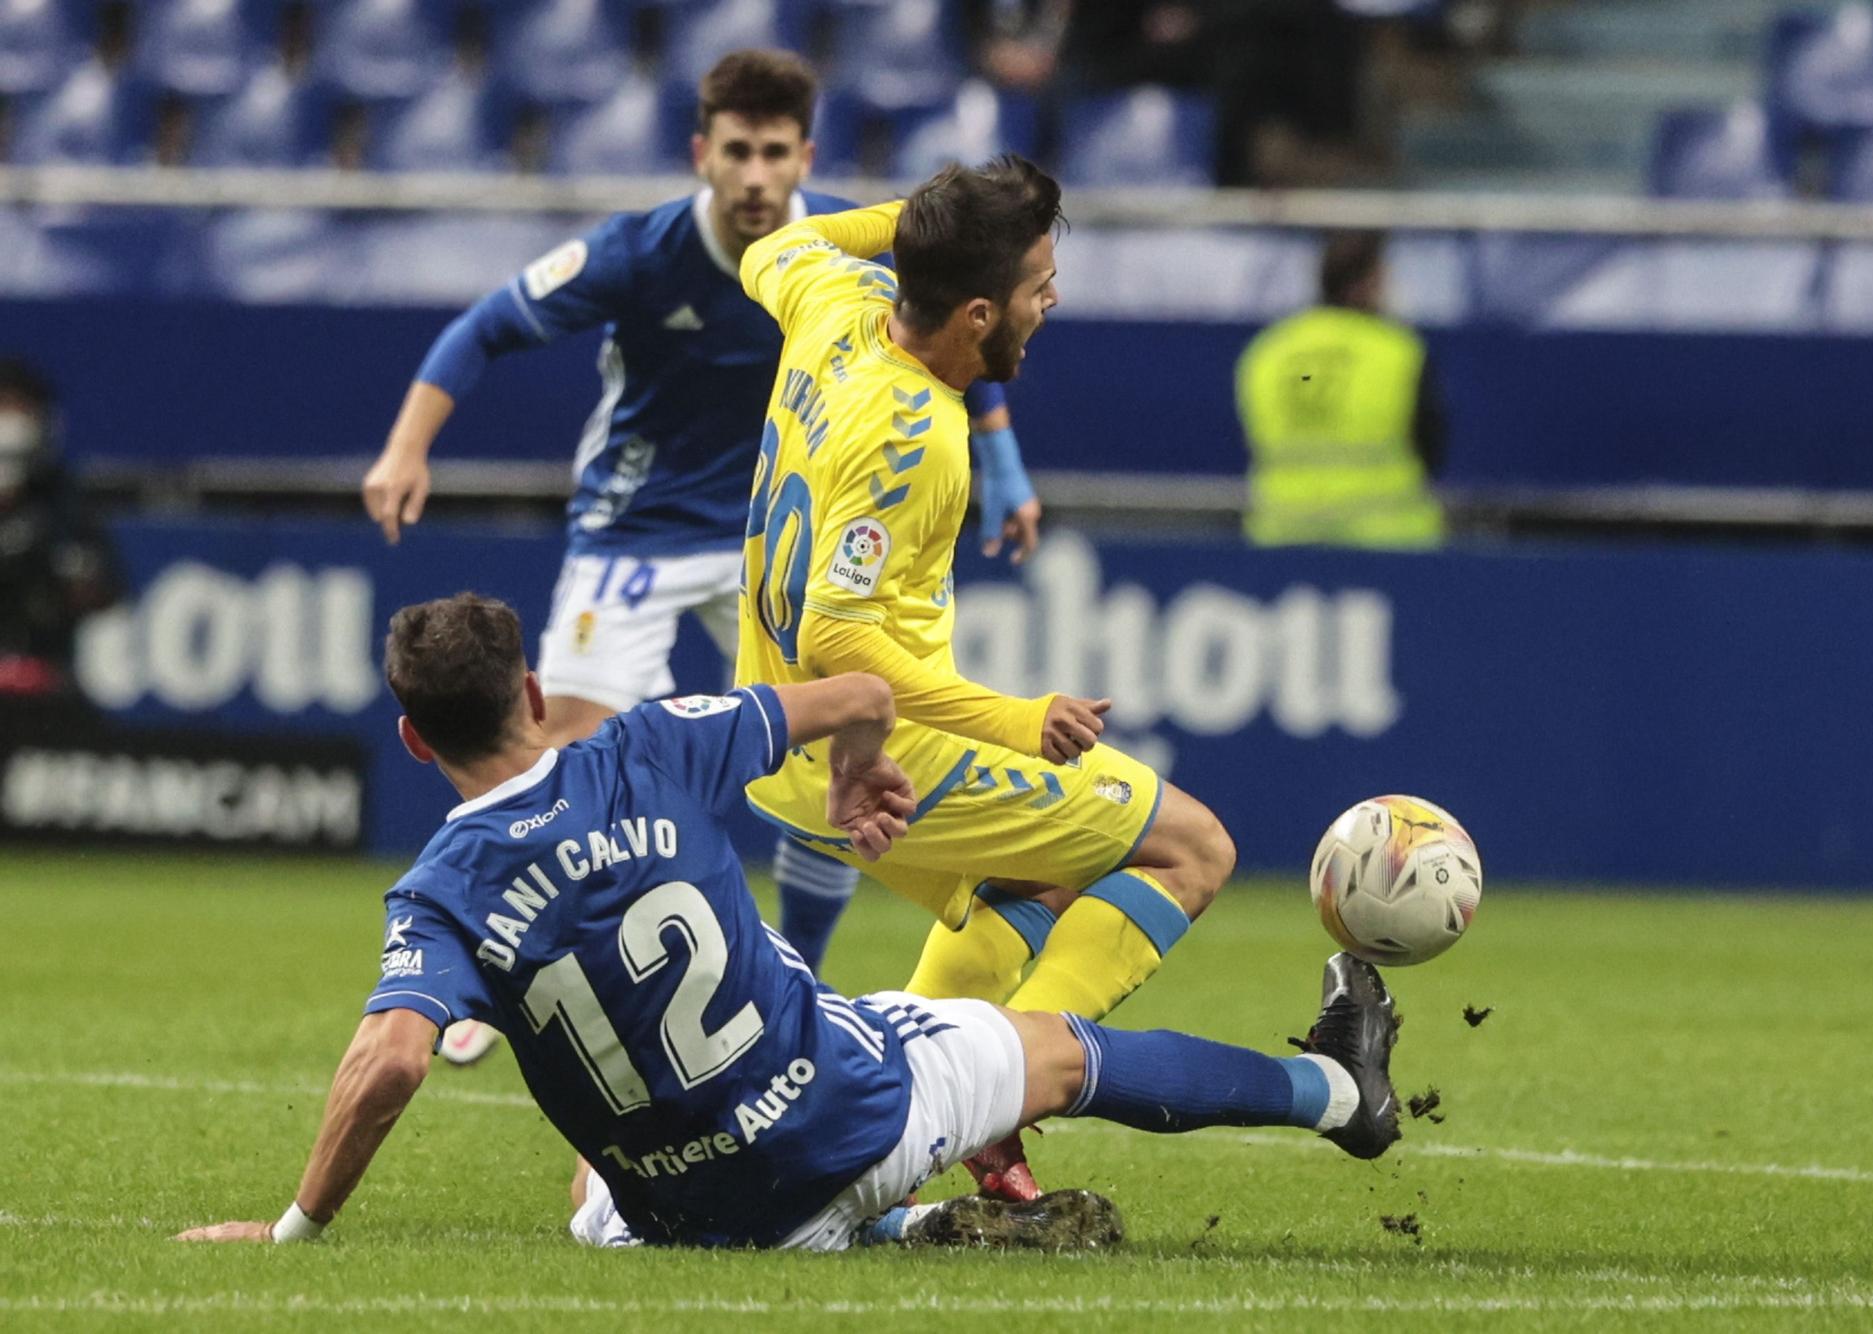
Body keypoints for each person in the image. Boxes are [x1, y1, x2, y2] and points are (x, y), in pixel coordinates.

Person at [173, 592, 1404, 1252]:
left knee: (590, 1184)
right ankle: (1341, 1093)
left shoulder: (436, 888)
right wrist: (859, 770)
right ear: (537, 694)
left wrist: (296, 1228)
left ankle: (903, 1232)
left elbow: (393, 1054)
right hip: (843, 1110)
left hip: (690, 1222)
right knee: (1054, 1052)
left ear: (411, 737)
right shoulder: (647, 744)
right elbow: (865, 686)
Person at [360, 51, 1044, 1063]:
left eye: (776, 152)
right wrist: (406, 444)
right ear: (703, 155)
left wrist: (1005, 464)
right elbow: (486, 327)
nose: (757, 174)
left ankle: (802, 970)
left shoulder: (847, 247)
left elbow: (959, 331)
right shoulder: (636, 252)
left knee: (837, 731)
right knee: (567, 753)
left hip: (770, 537)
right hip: (635, 523)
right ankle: (494, 969)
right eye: (737, 151)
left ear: (804, 154)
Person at [734, 157, 1241, 1199]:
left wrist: (923, 226)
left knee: (1037, 877)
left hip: (784, 736)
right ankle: (995, 1091)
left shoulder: (836, 299)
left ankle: (928, 1089)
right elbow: (838, 631)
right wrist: (1014, 717)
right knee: (1193, 846)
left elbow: (772, 246)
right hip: (870, 751)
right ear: (976, 314)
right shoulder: (916, 433)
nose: (1048, 304)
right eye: (1035, 288)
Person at [1235, 231, 1449, 549]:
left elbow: (1253, 437)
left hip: (1283, 535)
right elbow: (1431, 443)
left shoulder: (1268, 350)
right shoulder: (1396, 351)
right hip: (1388, 542)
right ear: (1367, 283)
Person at [0, 359, 120, 740]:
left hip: (41, 690)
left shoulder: (63, 503)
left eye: (19, 408)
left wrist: (60, 582)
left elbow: (103, 588)